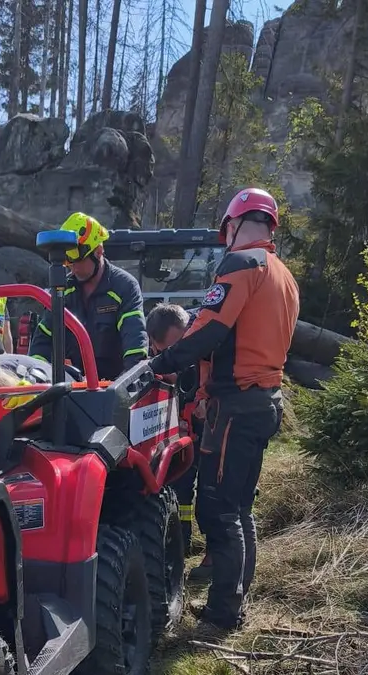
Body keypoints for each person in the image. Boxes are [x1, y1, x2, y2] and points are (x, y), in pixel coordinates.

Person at [148, 187, 299, 635]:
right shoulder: (284, 276)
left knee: (218, 509)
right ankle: (236, 597)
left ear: (232, 225)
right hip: (265, 399)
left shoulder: (240, 264)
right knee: (240, 504)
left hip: (234, 404)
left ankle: (222, 612)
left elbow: (206, 332)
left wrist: (158, 364)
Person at [28, 213, 148, 380]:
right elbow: (42, 341)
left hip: (116, 383)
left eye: (77, 259)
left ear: (98, 252)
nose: (72, 267)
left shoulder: (124, 287)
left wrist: (124, 387)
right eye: (67, 260)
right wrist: (34, 377)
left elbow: (135, 344)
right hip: (77, 385)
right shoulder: (63, 291)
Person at [147, 303, 213, 581]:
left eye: (180, 348)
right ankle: (181, 543)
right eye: (167, 354)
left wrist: (204, 399)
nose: (177, 359)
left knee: (213, 488)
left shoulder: (211, 333)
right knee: (180, 484)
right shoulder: (154, 355)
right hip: (183, 419)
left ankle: (214, 555)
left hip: (214, 414)